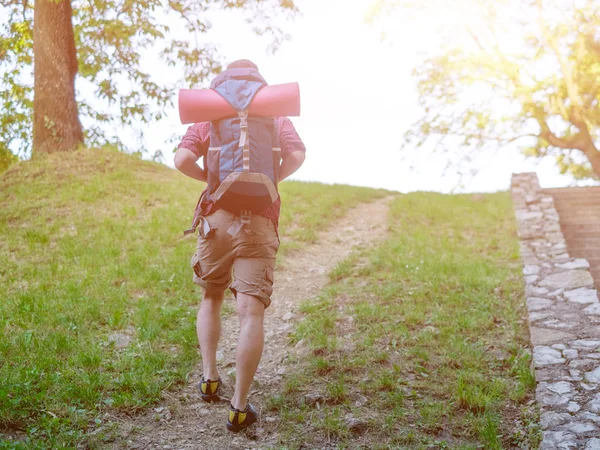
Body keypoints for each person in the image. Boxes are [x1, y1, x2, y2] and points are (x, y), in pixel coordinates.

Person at [174, 59, 306, 432]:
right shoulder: (273, 113)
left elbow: (181, 158)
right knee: (251, 312)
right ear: (259, 82)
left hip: (216, 219)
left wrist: (211, 182)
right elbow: (296, 153)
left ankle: (210, 378)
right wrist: (272, 180)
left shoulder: (213, 112)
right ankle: (239, 406)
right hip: (260, 220)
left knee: (211, 297)